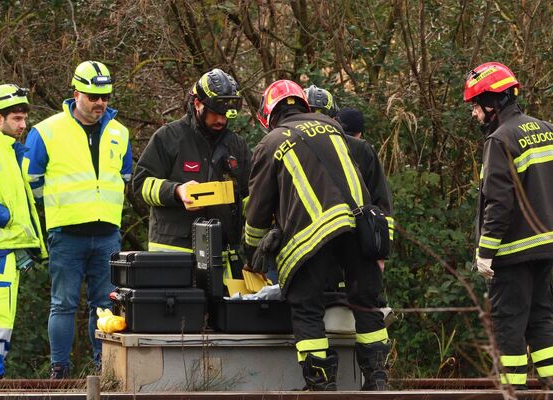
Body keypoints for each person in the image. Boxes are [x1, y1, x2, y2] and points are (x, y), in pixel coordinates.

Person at [245, 80, 390, 391]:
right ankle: (377, 381)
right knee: (367, 304)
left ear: (269, 116)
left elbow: (258, 208)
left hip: (312, 236)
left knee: (306, 307)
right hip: (358, 226)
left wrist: (252, 249)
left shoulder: (270, 143)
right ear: (304, 106)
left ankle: (321, 387)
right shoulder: (333, 128)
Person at [464, 62, 553, 390]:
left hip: (512, 251)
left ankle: (512, 392)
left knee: (507, 325)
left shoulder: (500, 140)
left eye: (475, 106)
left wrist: (485, 253)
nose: (474, 115)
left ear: (492, 102)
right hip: (547, 247)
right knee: (541, 320)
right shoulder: (547, 129)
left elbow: (499, 204)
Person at [24, 61, 133, 379]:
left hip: (107, 232)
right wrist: (58, 207)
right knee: (63, 304)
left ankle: (105, 369)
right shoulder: (47, 131)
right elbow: (31, 181)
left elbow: (123, 177)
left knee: (105, 304)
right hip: (67, 232)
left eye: (106, 97)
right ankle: (60, 371)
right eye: (92, 96)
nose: (100, 103)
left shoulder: (120, 133)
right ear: (76, 94)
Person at [132, 68, 250, 280]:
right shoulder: (169, 137)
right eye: (215, 112)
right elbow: (141, 184)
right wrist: (177, 191)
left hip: (220, 258)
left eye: (226, 114)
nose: (221, 120)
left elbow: (248, 195)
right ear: (197, 103)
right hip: (173, 255)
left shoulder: (236, 146)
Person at [0, 84, 46, 380]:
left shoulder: (11, 151)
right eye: (16, 118)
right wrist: (4, 217)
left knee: (2, 316)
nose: (23, 124)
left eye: (24, 118)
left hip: (7, 250)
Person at [304, 85, 394, 274]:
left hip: (353, 246)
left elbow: (380, 200)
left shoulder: (359, 149)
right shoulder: (289, 150)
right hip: (307, 252)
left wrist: (380, 251)